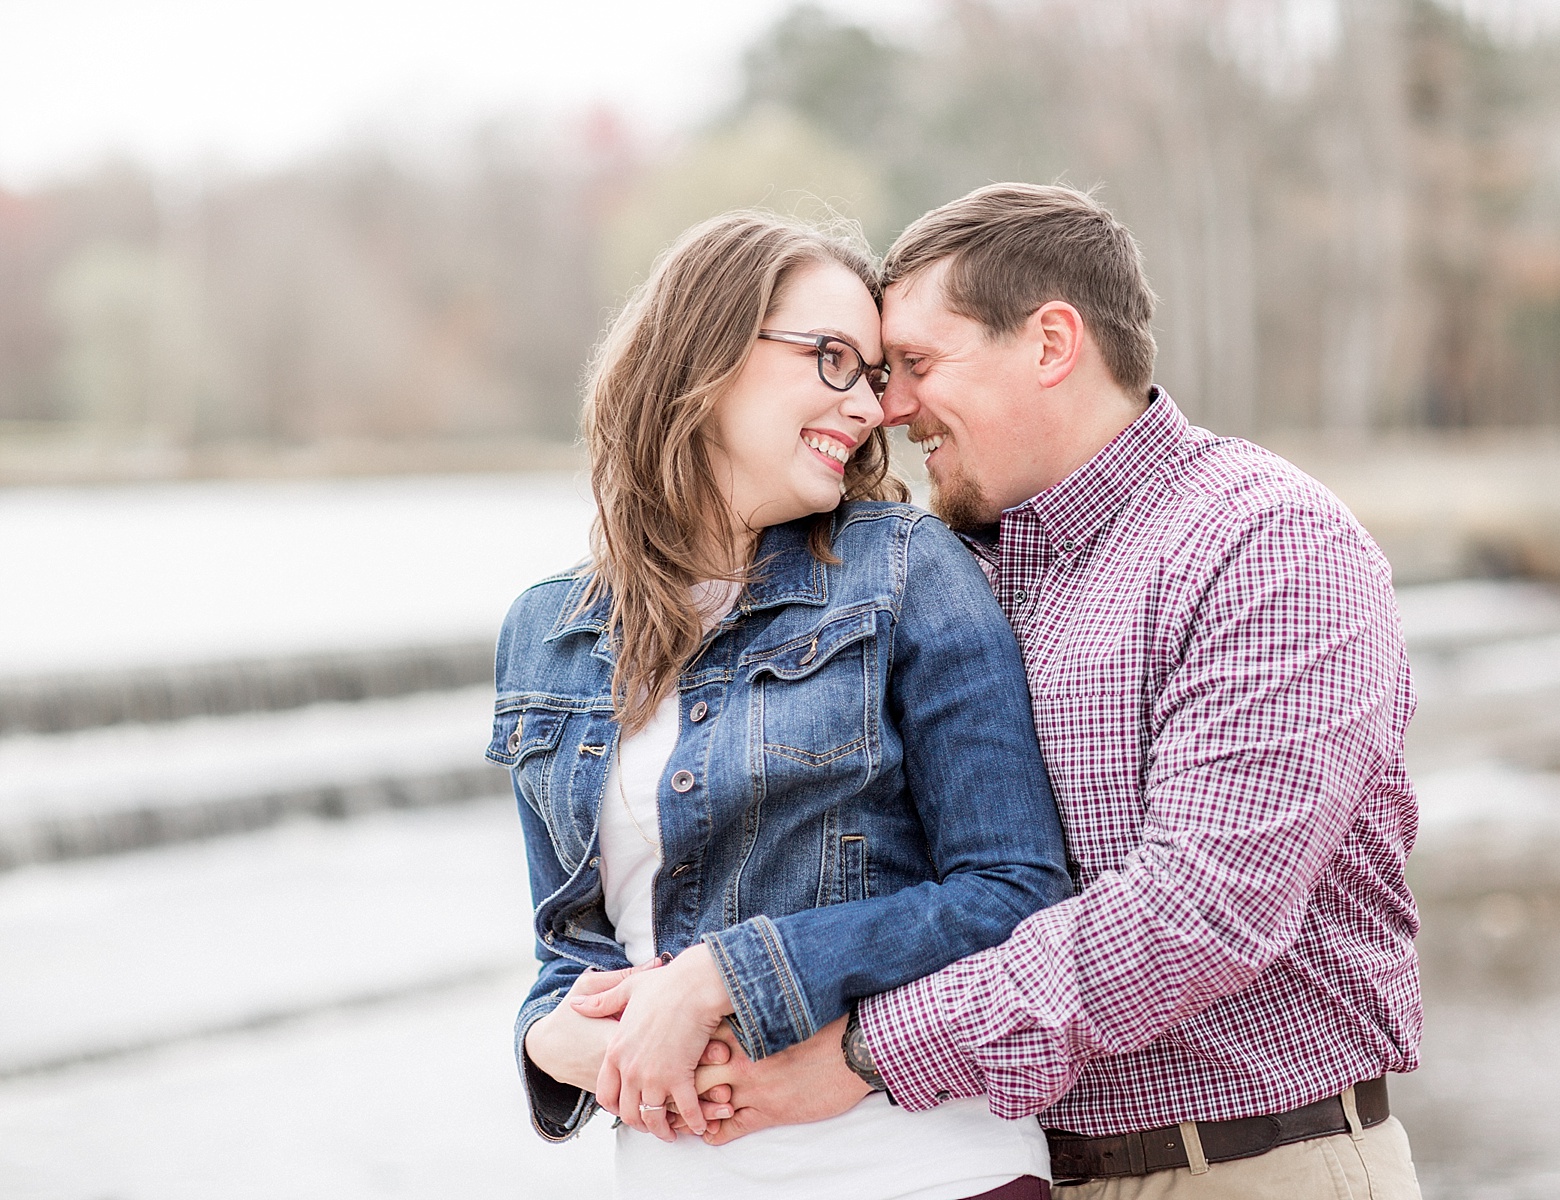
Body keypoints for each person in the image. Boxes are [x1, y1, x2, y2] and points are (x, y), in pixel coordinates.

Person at [668, 184, 1426, 1200]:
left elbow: (1201, 913)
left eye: (919, 368)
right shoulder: (943, 577)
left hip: (1245, 1165)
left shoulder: (1268, 544)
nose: (889, 409)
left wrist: (861, 1054)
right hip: (999, 1170)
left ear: (1051, 343)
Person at [486, 211, 1071, 1199]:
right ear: (705, 353)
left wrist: (728, 973)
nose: (870, 406)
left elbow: (1015, 890)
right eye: (833, 358)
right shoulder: (547, 629)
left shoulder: (907, 571)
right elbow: (567, 952)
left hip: (917, 1170)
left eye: (875, 375)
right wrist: (553, 1044)